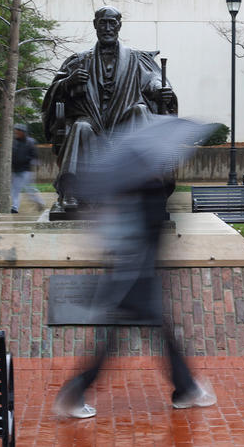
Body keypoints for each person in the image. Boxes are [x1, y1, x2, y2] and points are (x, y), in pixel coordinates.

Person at [52, 117, 217, 420]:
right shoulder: (148, 189)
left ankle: (185, 389)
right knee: (122, 341)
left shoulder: (130, 187)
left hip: (132, 274)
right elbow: (148, 236)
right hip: (135, 276)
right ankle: (74, 394)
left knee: (143, 338)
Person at [41, 6, 177, 211]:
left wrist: (161, 90)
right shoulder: (79, 60)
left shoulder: (135, 59)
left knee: (139, 112)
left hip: (123, 121)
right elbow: (52, 94)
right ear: (95, 25)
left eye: (112, 23)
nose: (107, 28)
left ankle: (143, 188)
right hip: (93, 123)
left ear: (119, 26)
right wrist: (68, 82)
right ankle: (71, 191)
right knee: (80, 127)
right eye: (102, 23)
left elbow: (153, 81)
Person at [11, 123, 45, 214]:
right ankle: (14, 207)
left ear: (23, 132)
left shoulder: (30, 142)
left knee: (29, 189)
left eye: (18, 131)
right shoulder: (15, 142)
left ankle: (40, 203)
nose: (16, 132)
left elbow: (35, 156)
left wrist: (29, 161)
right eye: (16, 131)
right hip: (16, 170)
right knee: (15, 190)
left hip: (26, 170)